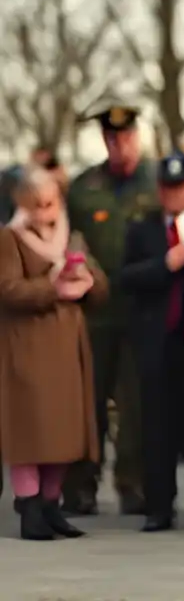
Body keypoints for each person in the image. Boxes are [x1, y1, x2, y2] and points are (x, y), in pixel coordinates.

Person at [121, 152, 184, 532]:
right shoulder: (143, 228)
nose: (174, 195)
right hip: (157, 340)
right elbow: (127, 276)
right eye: (167, 188)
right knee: (157, 428)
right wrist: (166, 263)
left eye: (181, 188)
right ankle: (159, 507)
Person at [0, 166, 105, 540]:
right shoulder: (10, 240)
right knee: (31, 431)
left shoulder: (71, 238)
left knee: (63, 431)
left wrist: (88, 281)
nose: (46, 211)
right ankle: (29, 507)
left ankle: (51, 504)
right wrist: (52, 288)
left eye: (52, 203)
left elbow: (99, 286)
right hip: (28, 346)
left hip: (67, 349)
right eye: (39, 205)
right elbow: (8, 289)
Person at [63, 104, 157, 516]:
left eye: (127, 136)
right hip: (95, 313)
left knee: (135, 404)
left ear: (138, 136)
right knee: (88, 401)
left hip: (141, 309)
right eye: (112, 138)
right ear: (104, 140)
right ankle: (82, 484)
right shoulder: (84, 188)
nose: (120, 145)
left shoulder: (156, 183)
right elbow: (68, 241)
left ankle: (132, 483)